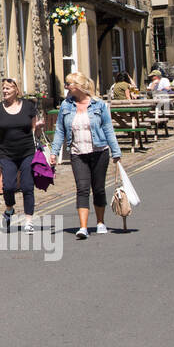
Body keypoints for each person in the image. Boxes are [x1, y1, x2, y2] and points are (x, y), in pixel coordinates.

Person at [49, 71, 122, 240]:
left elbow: (108, 128)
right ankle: (83, 227)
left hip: (99, 151)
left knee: (98, 188)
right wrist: (54, 152)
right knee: (82, 189)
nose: (66, 87)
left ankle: (100, 222)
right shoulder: (66, 106)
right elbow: (60, 130)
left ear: (78, 87)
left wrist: (116, 152)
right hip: (77, 153)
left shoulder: (99, 105)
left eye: (69, 84)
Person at [0, 78, 45, 232]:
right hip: (7, 154)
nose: (5, 91)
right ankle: (9, 209)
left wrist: (39, 127)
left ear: (16, 90)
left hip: (27, 152)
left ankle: (28, 221)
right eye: (3, 88)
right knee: (9, 186)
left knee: (27, 186)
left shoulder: (28, 107)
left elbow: (34, 131)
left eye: (8, 88)